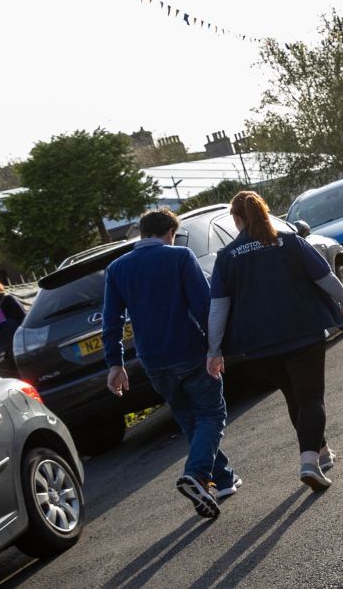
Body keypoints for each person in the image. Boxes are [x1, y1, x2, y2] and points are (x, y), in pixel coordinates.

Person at [207, 191, 343, 491]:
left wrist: (213, 350)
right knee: (311, 398)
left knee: (294, 397)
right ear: (264, 213)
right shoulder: (290, 242)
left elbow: (218, 308)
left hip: (259, 345)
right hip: (303, 332)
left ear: (237, 221)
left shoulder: (226, 258)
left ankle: (323, 453)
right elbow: (325, 276)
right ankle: (309, 463)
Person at [103, 208, 238, 517]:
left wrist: (116, 364)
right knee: (212, 415)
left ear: (142, 232)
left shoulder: (116, 269)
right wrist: (215, 347)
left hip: (152, 360)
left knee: (190, 419)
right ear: (169, 233)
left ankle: (223, 479)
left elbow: (111, 321)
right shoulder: (178, 257)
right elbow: (204, 305)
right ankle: (197, 473)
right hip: (189, 351)